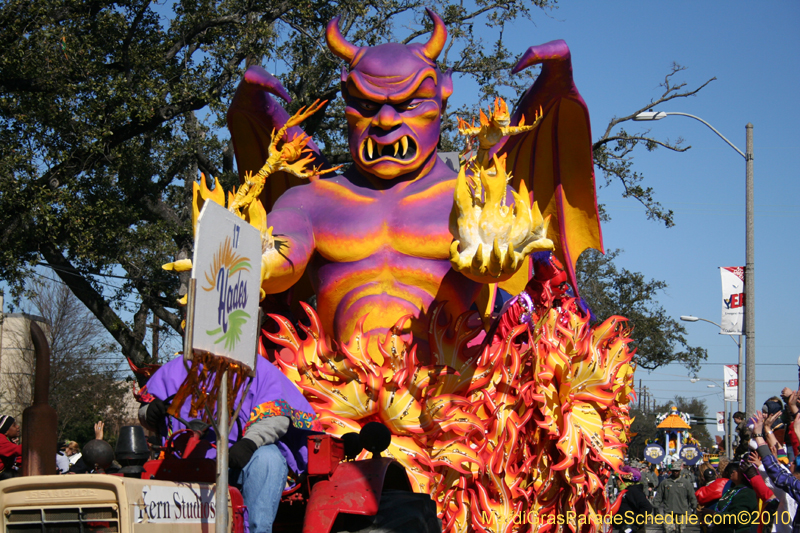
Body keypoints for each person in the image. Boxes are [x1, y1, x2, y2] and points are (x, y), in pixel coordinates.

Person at [140, 355, 318, 533]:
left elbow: (276, 416)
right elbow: (145, 411)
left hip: (236, 463)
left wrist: (249, 443)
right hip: (183, 463)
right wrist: (149, 413)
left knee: (269, 458)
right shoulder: (178, 367)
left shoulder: (259, 369)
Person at [753, 410, 800, 533]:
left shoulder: (794, 488)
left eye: (794, 463)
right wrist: (767, 428)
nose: (791, 462)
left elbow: (776, 472)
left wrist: (758, 435)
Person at [711, 461, 758, 533]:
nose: (733, 471)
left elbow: (738, 517)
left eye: (737, 470)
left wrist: (715, 515)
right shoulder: (732, 489)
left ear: (744, 475)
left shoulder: (747, 493)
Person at [654, 460, 697, 533]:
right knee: (668, 530)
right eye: (674, 471)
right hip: (668, 511)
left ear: (680, 470)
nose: (675, 472)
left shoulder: (686, 483)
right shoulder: (665, 482)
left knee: (680, 530)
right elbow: (659, 496)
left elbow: (692, 496)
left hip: (682, 511)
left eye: (677, 471)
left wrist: (694, 508)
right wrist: (655, 508)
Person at [615, 466, 654, 533]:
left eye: (618, 479)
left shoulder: (632, 490)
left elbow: (647, 507)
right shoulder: (625, 491)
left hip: (632, 529)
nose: (617, 482)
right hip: (624, 527)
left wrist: (635, 524)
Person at [0, 415, 21, 480]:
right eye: (14, 425)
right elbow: (17, 450)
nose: (17, 426)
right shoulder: (1, 439)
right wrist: (32, 445)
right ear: (6, 431)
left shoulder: (8, 440)